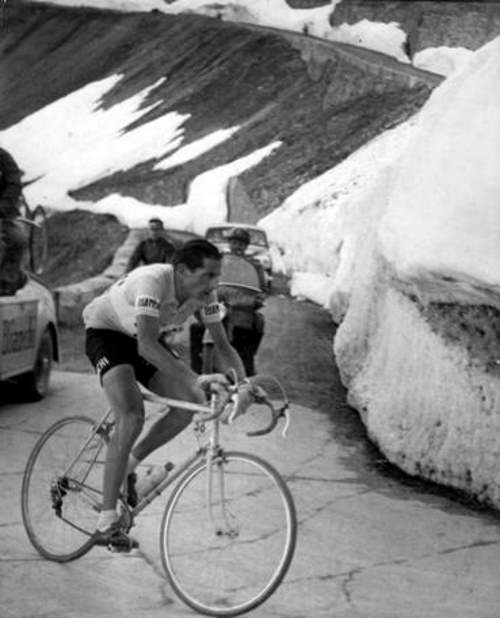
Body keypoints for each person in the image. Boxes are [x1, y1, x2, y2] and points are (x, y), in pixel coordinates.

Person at [83, 239, 249, 551]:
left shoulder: (206, 296)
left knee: (189, 404)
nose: (215, 284)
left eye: (217, 276)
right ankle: (106, 521)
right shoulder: (152, 281)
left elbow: (224, 347)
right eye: (209, 275)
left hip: (145, 340)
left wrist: (246, 385)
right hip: (108, 336)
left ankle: (129, 465)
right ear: (184, 270)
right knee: (131, 415)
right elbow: (146, 345)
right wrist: (198, 377)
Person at [0, 147, 28, 295]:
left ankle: (7, 281)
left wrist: (3, 206)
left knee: (17, 238)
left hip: (3, 214)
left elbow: (14, 183)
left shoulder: (3, 157)